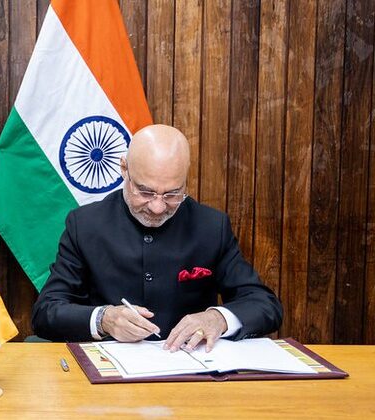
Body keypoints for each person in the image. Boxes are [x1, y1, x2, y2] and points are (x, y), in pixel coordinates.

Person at [31, 124, 282, 352]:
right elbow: (45, 312)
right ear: (124, 170)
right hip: (107, 372)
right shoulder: (84, 224)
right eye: (145, 192)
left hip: (189, 371)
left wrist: (218, 318)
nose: (158, 207)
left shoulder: (212, 226)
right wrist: (103, 319)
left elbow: (265, 304)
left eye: (172, 194)